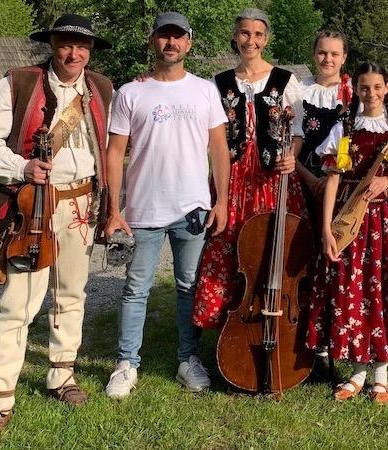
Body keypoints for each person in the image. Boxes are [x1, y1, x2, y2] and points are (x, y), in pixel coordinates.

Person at [0, 14, 113, 443]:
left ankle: (61, 375)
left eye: (82, 46)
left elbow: (110, 151)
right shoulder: (19, 84)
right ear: (52, 45)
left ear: (90, 50)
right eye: (66, 44)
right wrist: (24, 166)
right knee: (18, 305)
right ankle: (0, 401)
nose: (74, 53)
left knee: (71, 295)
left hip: (83, 205)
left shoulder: (102, 89)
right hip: (33, 207)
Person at [102, 12, 230, 399]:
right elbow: (114, 153)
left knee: (188, 287)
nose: (170, 44)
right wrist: (113, 208)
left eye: (178, 37)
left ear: (188, 43)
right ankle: (127, 363)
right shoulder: (130, 93)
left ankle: (188, 359)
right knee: (136, 288)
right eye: (163, 37)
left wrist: (221, 199)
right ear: (153, 42)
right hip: (142, 210)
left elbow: (219, 147)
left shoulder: (205, 90)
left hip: (191, 208)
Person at [306, 62, 388, 405]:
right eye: (365, 88)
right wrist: (326, 228)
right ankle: (357, 372)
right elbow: (333, 179)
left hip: (384, 222)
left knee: (382, 292)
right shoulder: (344, 128)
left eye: (377, 87)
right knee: (352, 291)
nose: (371, 93)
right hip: (351, 223)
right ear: (357, 91)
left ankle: (380, 376)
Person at [192, 8, 307, 329]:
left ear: (266, 39)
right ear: (234, 36)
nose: (250, 40)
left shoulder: (285, 79)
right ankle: (227, 323)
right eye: (244, 33)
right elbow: (211, 134)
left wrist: (292, 156)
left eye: (257, 34)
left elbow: (298, 130)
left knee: (272, 246)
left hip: (273, 180)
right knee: (228, 248)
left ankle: (274, 319)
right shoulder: (220, 83)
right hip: (232, 179)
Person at [295, 30, 351, 376]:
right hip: (305, 183)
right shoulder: (299, 91)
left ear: (344, 57)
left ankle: (337, 342)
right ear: (313, 54)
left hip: (343, 190)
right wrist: (308, 177)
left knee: (337, 264)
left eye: (334, 54)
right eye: (322, 53)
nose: (327, 59)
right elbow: (292, 144)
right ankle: (305, 343)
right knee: (306, 261)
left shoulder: (354, 93)